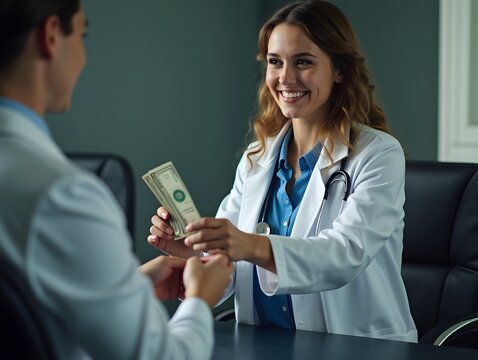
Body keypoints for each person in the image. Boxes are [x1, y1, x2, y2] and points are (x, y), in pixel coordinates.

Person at [148, 0, 417, 342]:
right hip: (262, 344)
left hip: (356, 345)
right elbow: (233, 264)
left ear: (339, 70)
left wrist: (249, 245)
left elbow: (347, 253)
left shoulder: (378, 155)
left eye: (303, 62)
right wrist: (196, 253)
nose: (286, 78)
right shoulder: (256, 158)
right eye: (275, 62)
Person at [0, 0, 233, 359]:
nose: (84, 57)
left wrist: (127, 286)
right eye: (82, 33)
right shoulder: (61, 195)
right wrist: (200, 300)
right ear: (50, 36)